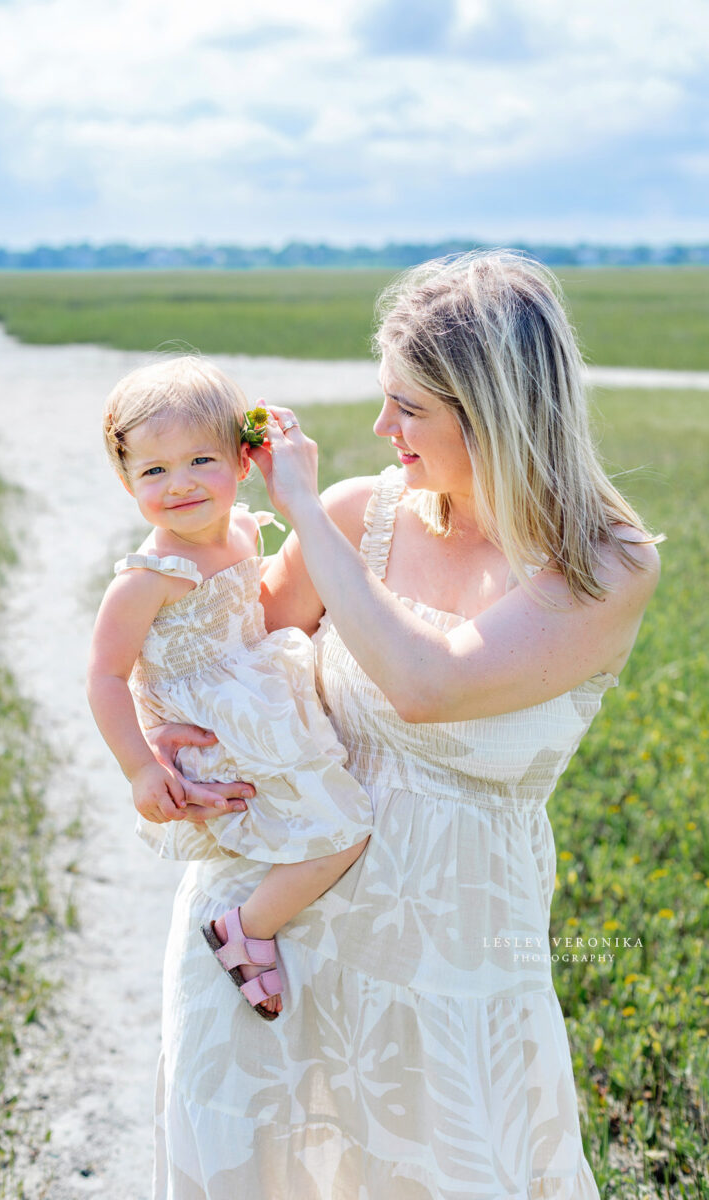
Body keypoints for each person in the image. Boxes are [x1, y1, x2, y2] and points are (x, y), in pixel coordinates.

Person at [143, 251, 660, 1199]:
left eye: (409, 407)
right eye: (386, 400)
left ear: (495, 407)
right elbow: (215, 656)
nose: (383, 430)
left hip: (456, 970)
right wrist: (156, 737)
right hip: (272, 938)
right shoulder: (360, 514)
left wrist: (300, 505)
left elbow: (429, 684)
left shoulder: (604, 564)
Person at [86, 357, 372, 1019]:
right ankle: (245, 929)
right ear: (128, 481)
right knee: (345, 830)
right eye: (154, 471)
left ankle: (298, 936)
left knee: (338, 809)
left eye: (200, 461)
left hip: (259, 704)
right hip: (217, 729)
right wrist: (138, 768)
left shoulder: (244, 529)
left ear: (244, 463)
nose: (179, 485)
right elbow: (103, 676)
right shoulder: (147, 577)